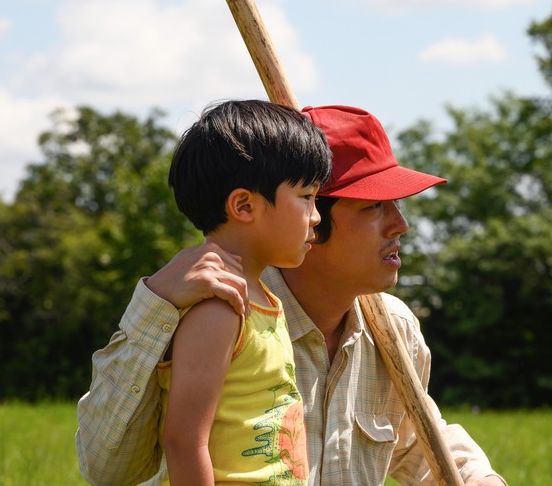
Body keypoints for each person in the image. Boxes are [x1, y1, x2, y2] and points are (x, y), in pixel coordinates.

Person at [76, 104, 507, 486]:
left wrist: (477, 477)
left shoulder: (394, 329)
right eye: (373, 206)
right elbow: (108, 469)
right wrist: (154, 305)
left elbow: (415, 438)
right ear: (314, 220)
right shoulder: (216, 308)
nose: (401, 225)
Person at [156, 99, 332, 484]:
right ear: (244, 205)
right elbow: (184, 440)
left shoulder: (267, 301)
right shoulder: (219, 309)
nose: (317, 216)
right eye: (306, 197)